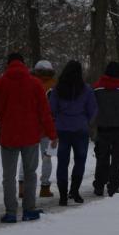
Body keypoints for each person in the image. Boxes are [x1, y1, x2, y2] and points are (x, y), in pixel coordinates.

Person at [0, 53, 57, 223]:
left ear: (8, 64)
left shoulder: (0, 82)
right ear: (24, 64)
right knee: (30, 173)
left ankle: (11, 212)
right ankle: (29, 210)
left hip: (8, 136)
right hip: (30, 136)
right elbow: (44, 113)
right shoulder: (35, 84)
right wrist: (52, 134)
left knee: (8, 176)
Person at [48, 61, 97, 206]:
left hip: (62, 129)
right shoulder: (86, 90)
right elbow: (93, 109)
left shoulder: (57, 90)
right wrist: (85, 120)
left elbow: (51, 109)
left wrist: (58, 120)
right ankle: (74, 191)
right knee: (79, 161)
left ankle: (63, 195)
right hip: (80, 129)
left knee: (62, 162)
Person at [92, 62, 119, 197]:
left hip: (102, 127)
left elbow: (92, 107)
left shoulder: (96, 87)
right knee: (118, 159)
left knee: (102, 158)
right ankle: (113, 186)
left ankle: (99, 185)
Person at [18, 59, 57, 199]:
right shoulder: (54, 86)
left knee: (26, 158)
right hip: (47, 128)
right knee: (47, 158)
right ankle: (45, 188)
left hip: (30, 127)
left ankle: (22, 187)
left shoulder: (27, 83)